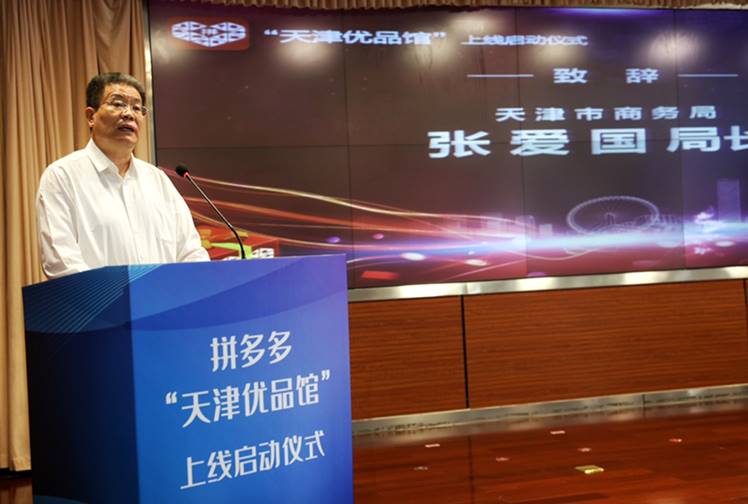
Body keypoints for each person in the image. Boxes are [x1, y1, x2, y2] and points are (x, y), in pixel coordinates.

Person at [36, 72, 209, 279]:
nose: (129, 114)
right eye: (118, 104)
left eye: (136, 108)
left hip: (166, 299)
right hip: (100, 300)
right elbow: (61, 263)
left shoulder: (158, 180)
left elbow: (190, 251)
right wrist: (119, 295)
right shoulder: (62, 177)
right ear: (91, 116)